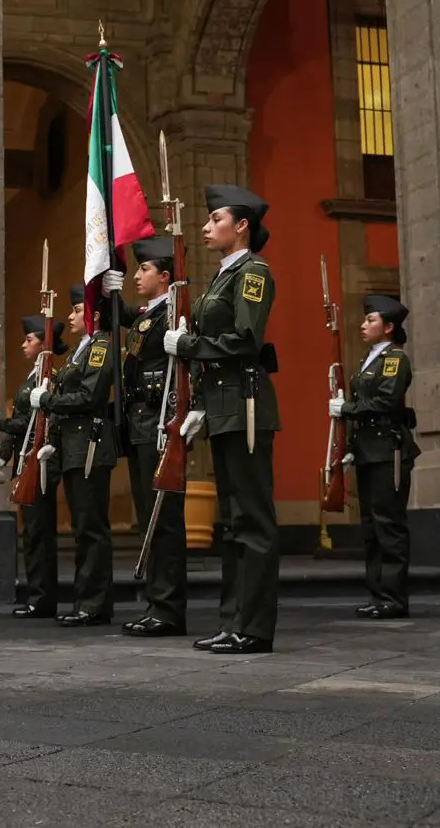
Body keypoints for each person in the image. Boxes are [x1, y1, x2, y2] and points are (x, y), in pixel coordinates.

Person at [165, 184, 280, 654]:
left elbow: (246, 341)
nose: (207, 227)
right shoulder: (220, 276)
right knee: (231, 522)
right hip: (223, 407)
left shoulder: (252, 273)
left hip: (246, 405)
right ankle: (233, 621)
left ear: (242, 225)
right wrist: (198, 404)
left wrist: (189, 346)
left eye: (216, 219)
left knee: (252, 519)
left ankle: (254, 627)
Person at [31, 283, 120, 627]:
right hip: (73, 446)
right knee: (82, 527)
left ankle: (94, 604)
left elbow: (89, 395)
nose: (70, 316)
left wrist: (48, 400)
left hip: (89, 445)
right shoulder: (79, 351)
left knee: (91, 527)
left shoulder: (100, 346)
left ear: (93, 315)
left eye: (76, 310)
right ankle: (86, 599)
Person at [331, 295, 419, 620]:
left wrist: (346, 409)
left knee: (388, 525)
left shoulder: (394, 359)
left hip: (387, 451)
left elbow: (385, 402)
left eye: (371, 320)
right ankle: (378, 594)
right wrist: (350, 447)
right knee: (371, 526)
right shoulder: (368, 360)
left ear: (389, 327)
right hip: (368, 451)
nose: (363, 325)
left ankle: (394, 598)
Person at [120, 237, 187, 637]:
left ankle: (168, 608)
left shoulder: (174, 313)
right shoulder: (151, 313)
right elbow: (127, 317)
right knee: (150, 518)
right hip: (141, 423)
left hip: (160, 422)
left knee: (164, 520)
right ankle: (156, 602)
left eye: (143, 269)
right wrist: (107, 287)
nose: (136, 275)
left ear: (164, 276)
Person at [0, 315, 67, 618]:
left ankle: (43, 598)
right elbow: (20, 419)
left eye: (29, 340)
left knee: (39, 531)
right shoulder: (32, 378)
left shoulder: (50, 380)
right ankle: (37, 595)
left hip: (40, 463)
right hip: (26, 461)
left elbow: (34, 423)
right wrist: (3, 453)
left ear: (43, 346)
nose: (23, 345)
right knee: (32, 531)